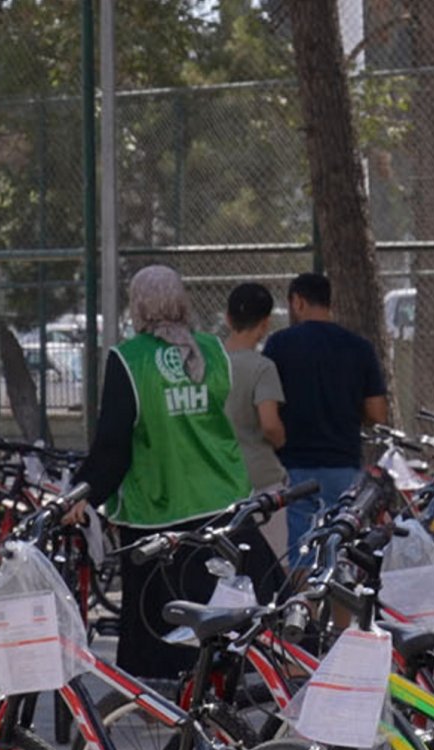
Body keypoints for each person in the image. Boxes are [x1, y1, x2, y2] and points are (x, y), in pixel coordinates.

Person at [70, 266, 265, 681]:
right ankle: (219, 687)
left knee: (153, 615)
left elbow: (113, 444)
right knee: (216, 607)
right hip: (221, 497)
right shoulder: (214, 351)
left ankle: (156, 697)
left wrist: (81, 494)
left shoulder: (130, 359)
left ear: (138, 304)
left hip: (157, 506)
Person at [264, 272, 389, 549]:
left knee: (300, 546)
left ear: (298, 302)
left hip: (295, 464)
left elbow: (268, 408)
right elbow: (377, 413)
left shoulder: (279, 345)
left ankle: (303, 591)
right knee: (341, 542)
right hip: (343, 461)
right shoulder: (359, 347)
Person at [220, 282, 290, 569]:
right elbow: (270, 424)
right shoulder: (262, 367)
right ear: (265, 324)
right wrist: (282, 441)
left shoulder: (207, 363)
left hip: (217, 478)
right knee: (276, 562)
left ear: (227, 318)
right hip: (260, 477)